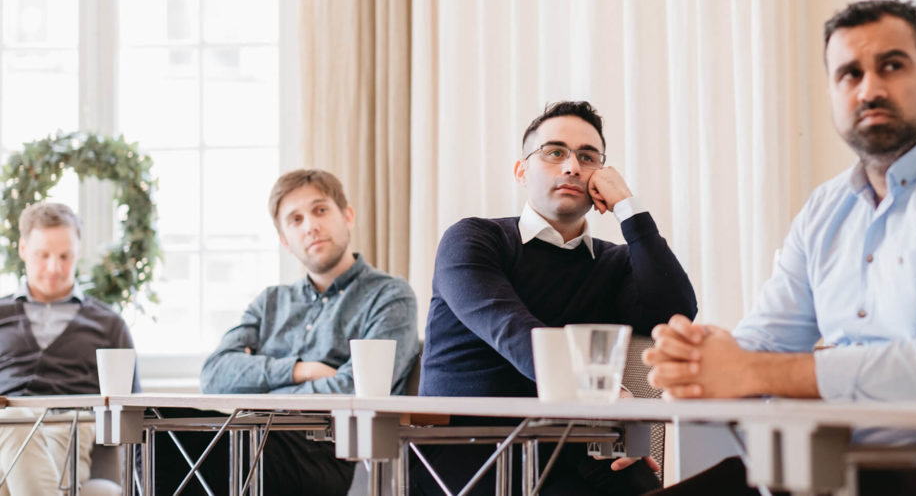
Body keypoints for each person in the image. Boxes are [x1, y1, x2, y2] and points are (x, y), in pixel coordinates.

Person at [645, 0, 916, 496]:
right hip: (827, 469)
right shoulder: (827, 208)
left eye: (892, 65)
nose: (869, 89)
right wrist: (697, 361)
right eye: (849, 74)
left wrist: (747, 369)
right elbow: (763, 343)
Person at [416, 101, 698, 495]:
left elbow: (675, 312)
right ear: (521, 171)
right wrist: (603, 395)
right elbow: (511, 329)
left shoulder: (612, 262)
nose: (571, 167)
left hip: (577, 449)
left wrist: (628, 209)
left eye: (588, 157)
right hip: (467, 454)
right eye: (554, 152)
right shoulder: (473, 240)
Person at [156, 169, 419, 496]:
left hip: (325, 451)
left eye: (320, 210)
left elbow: (355, 388)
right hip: (253, 435)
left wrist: (259, 393)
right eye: (295, 219)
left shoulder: (389, 296)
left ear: (347, 216)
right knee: (161, 424)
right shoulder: (270, 302)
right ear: (284, 240)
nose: (310, 226)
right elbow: (214, 374)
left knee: (210, 448)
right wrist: (299, 370)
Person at [0, 202, 139, 496]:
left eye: (65, 256)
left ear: (78, 253)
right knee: (12, 422)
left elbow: (130, 411)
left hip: (70, 427)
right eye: (42, 255)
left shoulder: (108, 324)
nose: (54, 267)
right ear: (23, 250)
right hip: (3, 427)